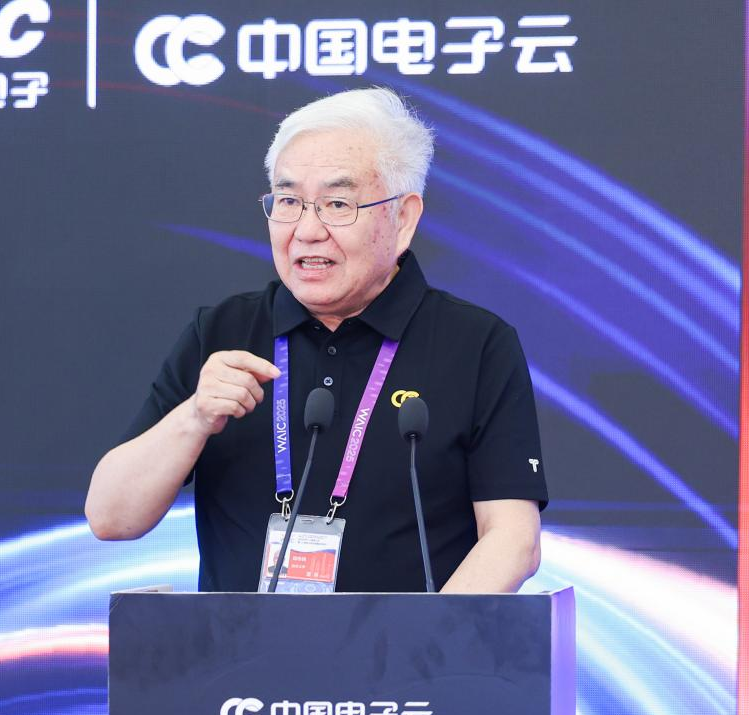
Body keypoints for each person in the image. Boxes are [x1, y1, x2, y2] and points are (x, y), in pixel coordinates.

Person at [86, 87, 547, 593]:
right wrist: (194, 417)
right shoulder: (221, 333)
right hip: (237, 646)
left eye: (337, 203)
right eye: (288, 201)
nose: (307, 230)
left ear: (403, 218)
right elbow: (111, 518)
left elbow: (513, 540)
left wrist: (423, 637)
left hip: (413, 646)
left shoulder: (476, 345)